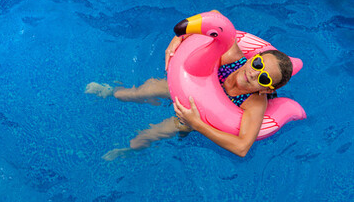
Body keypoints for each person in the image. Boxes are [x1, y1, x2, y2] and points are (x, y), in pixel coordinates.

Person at [87, 35, 294, 160]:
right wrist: (177, 39)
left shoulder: (255, 102)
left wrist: (196, 123)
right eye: (258, 64)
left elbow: (242, 148)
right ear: (253, 58)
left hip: (195, 118)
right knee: (135, 93)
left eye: (264, 78)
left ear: (267, 90)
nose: (254, 73)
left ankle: (126, 152)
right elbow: (214, 17)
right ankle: (108, 91)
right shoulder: (234, 58)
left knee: (144, 138)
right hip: (188, 86)